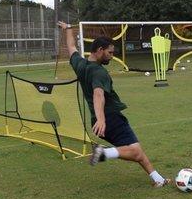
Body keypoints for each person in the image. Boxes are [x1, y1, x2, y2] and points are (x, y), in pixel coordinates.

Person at [58, 21, 171, 188]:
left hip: (99, 121)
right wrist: (102, 119)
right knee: (135, 151)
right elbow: (98, 94)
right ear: (99, 50)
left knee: (135, 150)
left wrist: (68, 29)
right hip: (110, 120)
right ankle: (103, 152)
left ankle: (158, 179)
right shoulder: (99, 72)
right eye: (109, 53)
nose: (112, 56)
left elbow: (72, 47)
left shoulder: (80, 65)